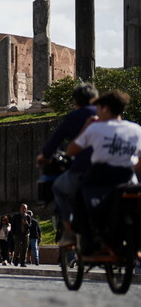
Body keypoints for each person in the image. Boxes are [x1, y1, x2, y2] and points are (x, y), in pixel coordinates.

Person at [67, 90, 141, 242]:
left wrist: (86, 127)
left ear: (106, 109)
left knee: (76, 195)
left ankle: (86, 238)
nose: (97, 113)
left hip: (100, 177)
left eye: (99, 109)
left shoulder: (95, 128)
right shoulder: (136, 129)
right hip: (127, 177)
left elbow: (71, 150)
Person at [37, 83, 98, 247]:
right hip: (113, 169)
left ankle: (69, 232)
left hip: (83, 169)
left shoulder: (74, 117)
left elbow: (53, 143)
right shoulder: (107, 116)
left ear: (75, 101)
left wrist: (44, 156)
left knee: (58, 187)